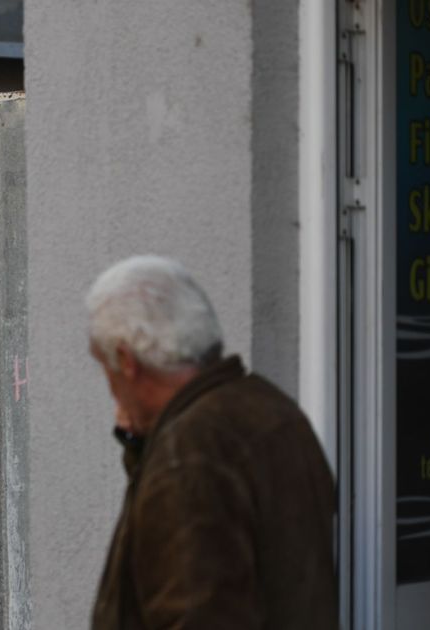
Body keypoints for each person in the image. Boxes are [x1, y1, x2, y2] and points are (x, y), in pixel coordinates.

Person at [85, 255, 337, 629]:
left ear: (127, 361)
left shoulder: (189, 453)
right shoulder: (274, 411)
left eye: (104, 367)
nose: (110, 388)